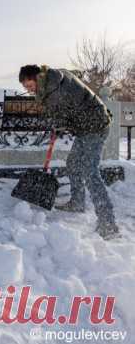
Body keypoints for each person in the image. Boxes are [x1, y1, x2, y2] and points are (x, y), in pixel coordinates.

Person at [18, 64, 119, 239]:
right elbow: (64, 111)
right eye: (25, 88)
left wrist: (57, 122)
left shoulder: (54, 88)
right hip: (85, 127)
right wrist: (57, 122)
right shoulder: (53, 80)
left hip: (95, 126)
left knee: (90, 172)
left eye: (29, 85)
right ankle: (77, 202)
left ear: (36, 78)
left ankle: (108, 223)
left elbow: (62, 111)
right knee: (72, 164)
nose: (28, 90)